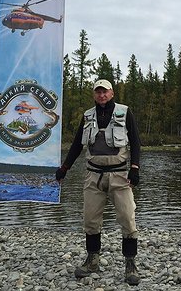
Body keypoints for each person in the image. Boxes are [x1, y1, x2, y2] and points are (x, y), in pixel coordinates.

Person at [56, 78, 141, 285]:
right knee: (90, 220)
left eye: (105, 92)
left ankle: (130, 264)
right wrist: (65, 167)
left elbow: (136, 142)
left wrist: (135, 168)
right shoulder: (87, 116)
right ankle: (92, 260)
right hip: (93, 175)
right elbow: (77, 144)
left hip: (120, 175)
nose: (101, 95)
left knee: (128, 219)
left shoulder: (124, 111)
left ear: (112, 93)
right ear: (94, 95)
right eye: (98, 92)